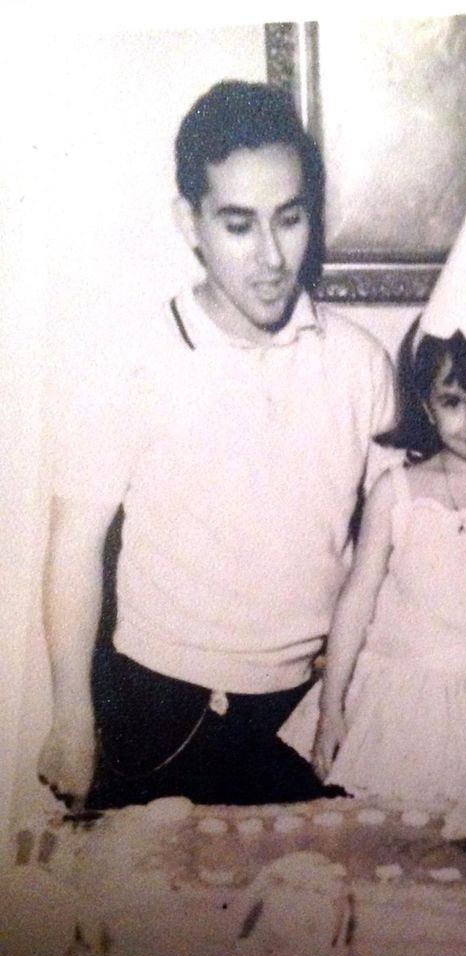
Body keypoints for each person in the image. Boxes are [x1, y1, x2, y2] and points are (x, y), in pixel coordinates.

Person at [37, 80, 395, 810]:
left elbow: (395, 545)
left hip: (307, 710)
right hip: (159, 712)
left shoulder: (361, 363)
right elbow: (75, 544)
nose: (269, 255)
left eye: (288, 219)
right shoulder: (130, 359)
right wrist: (72, 714)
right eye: (238, 224)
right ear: (189, 222)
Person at [280, 203, 466, 801]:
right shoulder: (396, 493)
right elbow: (355, 604)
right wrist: (332, 706)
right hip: (395, 708)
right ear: (425, 405)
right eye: (454, 402)